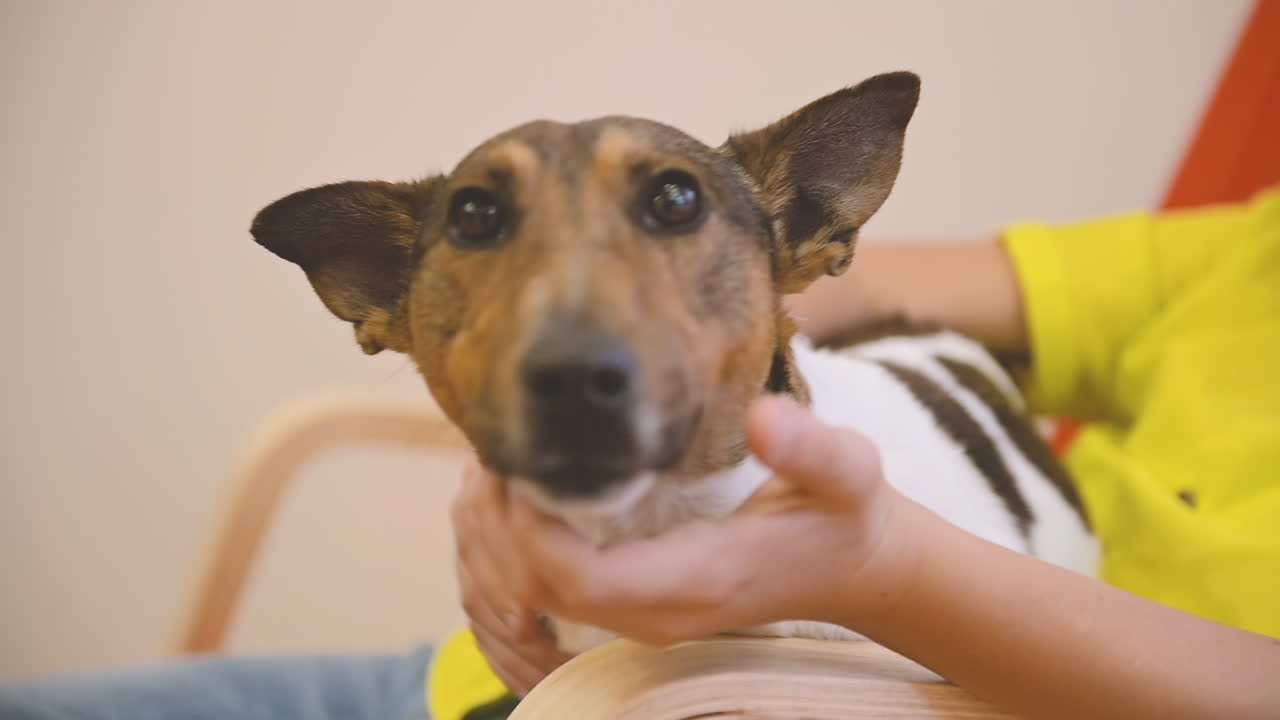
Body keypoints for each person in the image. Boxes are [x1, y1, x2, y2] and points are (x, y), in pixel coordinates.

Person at [3, 187, 1277, 719]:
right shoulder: (1246, 245)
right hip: (483, 681)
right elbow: (817, 286)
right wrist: (530, 394)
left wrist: (880, 568)